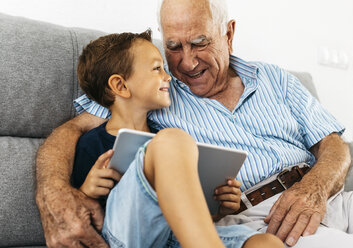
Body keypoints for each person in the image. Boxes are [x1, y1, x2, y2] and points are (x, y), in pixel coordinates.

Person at [35, 0, 353, 247]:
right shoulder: (155, 90)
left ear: (228, 34)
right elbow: (74, 129)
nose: (187, 61)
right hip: (264, 217)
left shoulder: (275, 79)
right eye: (173, 47)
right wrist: (56, 192)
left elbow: (334, 145)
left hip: (330, 196)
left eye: (199, 42)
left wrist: (313, 188)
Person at [69, 29, 282, 248]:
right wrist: (85, 191)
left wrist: (220, 208)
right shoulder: (93, 143)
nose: (167, 76)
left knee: (265, 243)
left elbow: (187, 213)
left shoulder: (165, 135)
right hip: (127, 238)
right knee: (171, 140)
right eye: (156, 68)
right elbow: (80, 219)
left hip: (175, 239)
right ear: (121, 86)